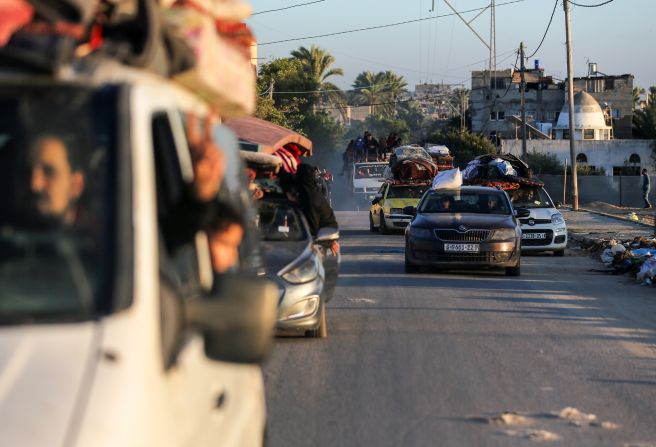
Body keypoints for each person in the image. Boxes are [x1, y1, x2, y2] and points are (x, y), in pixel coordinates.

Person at [23, 135, 86, 228]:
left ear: (76, 185)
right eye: (26, 172)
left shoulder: (103, 236)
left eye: (49, 172)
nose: (35, 185)